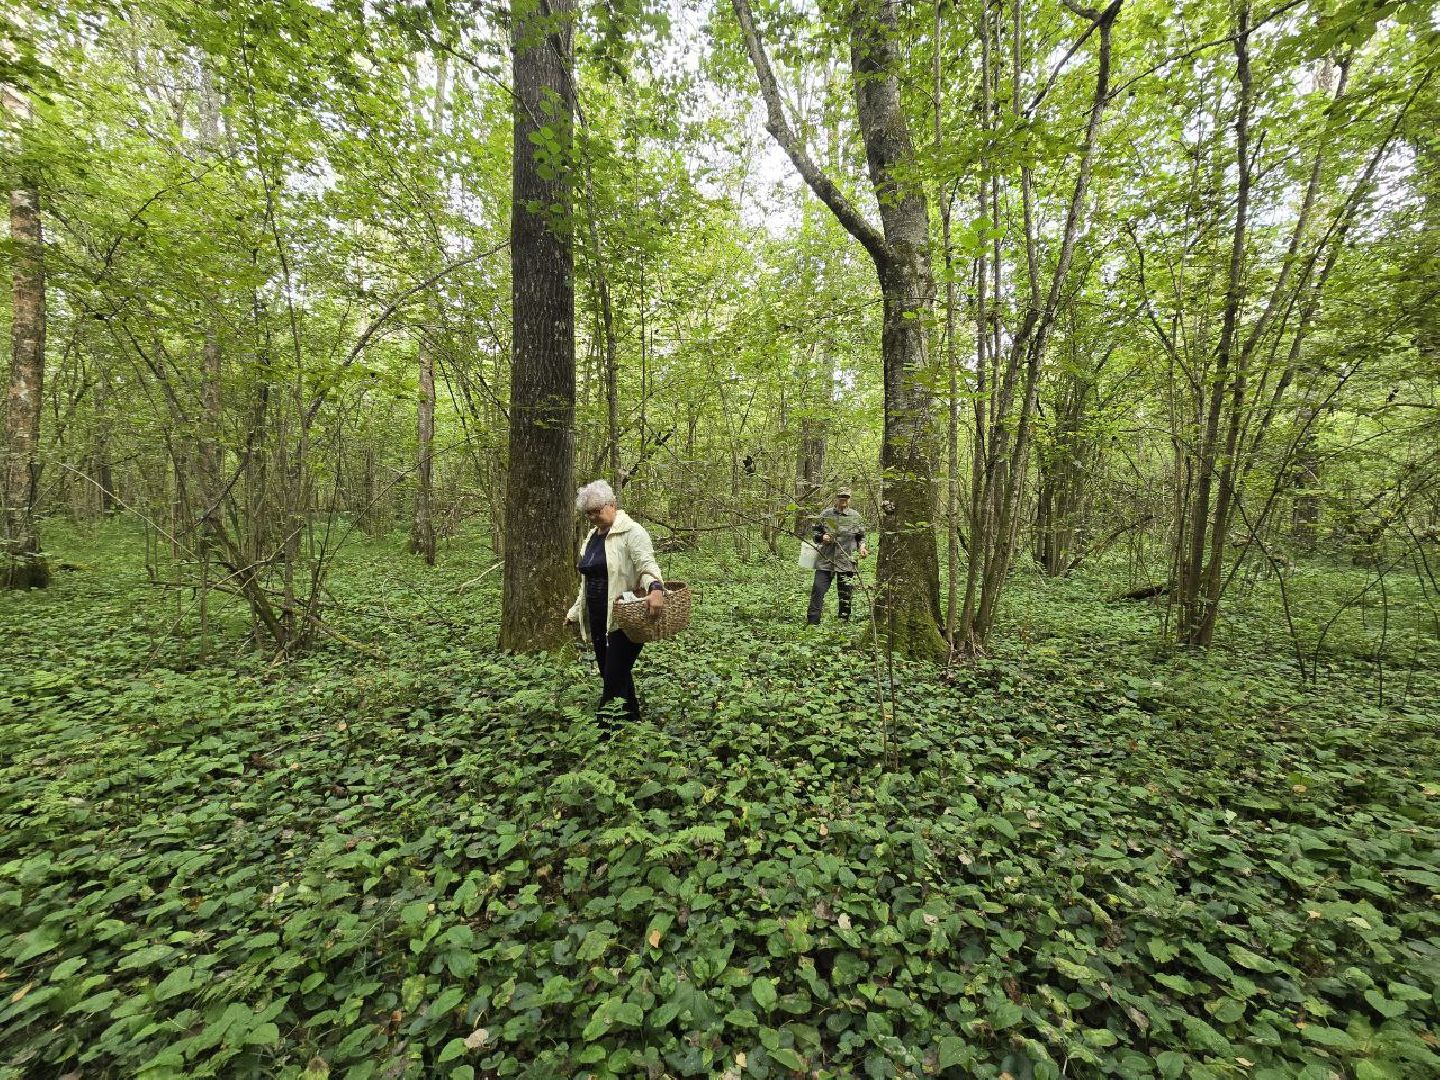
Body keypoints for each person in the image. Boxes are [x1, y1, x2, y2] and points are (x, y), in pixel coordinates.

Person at [565, 480, 665, 722]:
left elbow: (647, 565)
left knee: (613, 677)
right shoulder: (592, 536)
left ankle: (605, 731)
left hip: (625, 617)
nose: (592, 516)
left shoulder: (632, 531)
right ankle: (632, 720)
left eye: (597, 510)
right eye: (588, 512)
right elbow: (586, 580)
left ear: (612, 505)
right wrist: (576, 612)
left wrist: (656, 588)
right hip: (599, 618)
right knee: (613, 673)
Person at [807, 488, 868, 624]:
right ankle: (812, 623)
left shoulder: (855, 516)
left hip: (847, 561)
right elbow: (815, 535)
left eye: (846, 497)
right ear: (836, 498)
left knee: (845, 594)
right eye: (841, 497)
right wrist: (823, 537)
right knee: (818, 590)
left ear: (849, 499)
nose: (843, 500)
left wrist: (862, 548)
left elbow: (861, 537)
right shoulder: (826, 514)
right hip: (825, 561)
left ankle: (843, 622)